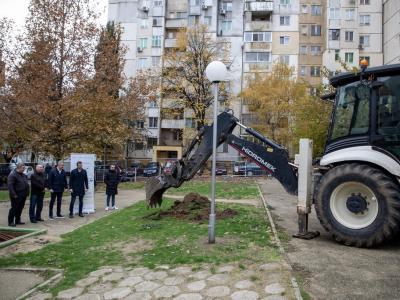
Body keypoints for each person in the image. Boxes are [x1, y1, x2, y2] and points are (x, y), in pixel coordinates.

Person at [7, 162, 30, 226]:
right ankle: (10, 222)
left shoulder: (23, 175)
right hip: (16, 195)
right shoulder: (13, 175)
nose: (24, 169)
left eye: (24, 168)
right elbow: (10, 186)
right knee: (14, 208)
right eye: (23, 168)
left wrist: (27, 193)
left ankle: (17, 220)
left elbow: (26, 184)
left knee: (20, 208)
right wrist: (14, 194)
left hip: (23, 195)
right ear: (18, 167)